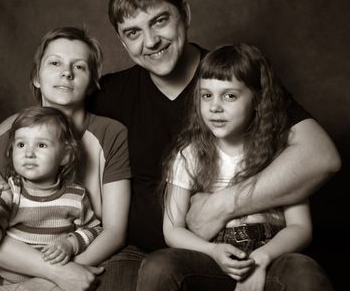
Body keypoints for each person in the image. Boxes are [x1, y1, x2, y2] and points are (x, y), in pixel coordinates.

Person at [84, 0, 341, 289]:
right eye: (133, 33)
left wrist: (222, 205)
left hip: (261, 250)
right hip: (144, 253)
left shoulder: (232, 79)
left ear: (186, 15)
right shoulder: (112, 93)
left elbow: (322, 157)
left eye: (160, 21)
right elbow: (44, 122)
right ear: (122, 42)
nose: (150, 41)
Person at [136, 44, 334, 290]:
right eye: (206, 95)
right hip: (212, 257)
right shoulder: (190, 154)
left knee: (304, 274)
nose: (215, 106)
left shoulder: (280, 152)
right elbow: (173, 230)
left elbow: (300, 227)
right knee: (159, 266)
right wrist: (213, 251)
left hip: (271, 255)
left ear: (258, 101)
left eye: (229, 95)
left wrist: (261, 259)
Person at [0, 27, 131, 291]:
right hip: (16, 266)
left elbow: (113, 231)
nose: (66, 72)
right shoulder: (14, 136)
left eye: (79, 67)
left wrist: (58, 278)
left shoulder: (110, 133)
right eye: (55, 63)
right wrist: (55, 275)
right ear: (36, 77)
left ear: (92, 84)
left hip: (86, 256)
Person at [0, 106, 103, 288]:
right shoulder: (10, 192)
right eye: (21, 144)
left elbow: (94, 230)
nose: (28, 153)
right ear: (12, 151)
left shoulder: (75, 196)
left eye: (41, 145)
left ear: (65, 156)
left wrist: (70, 243)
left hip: (53, 283)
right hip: (6, 281)